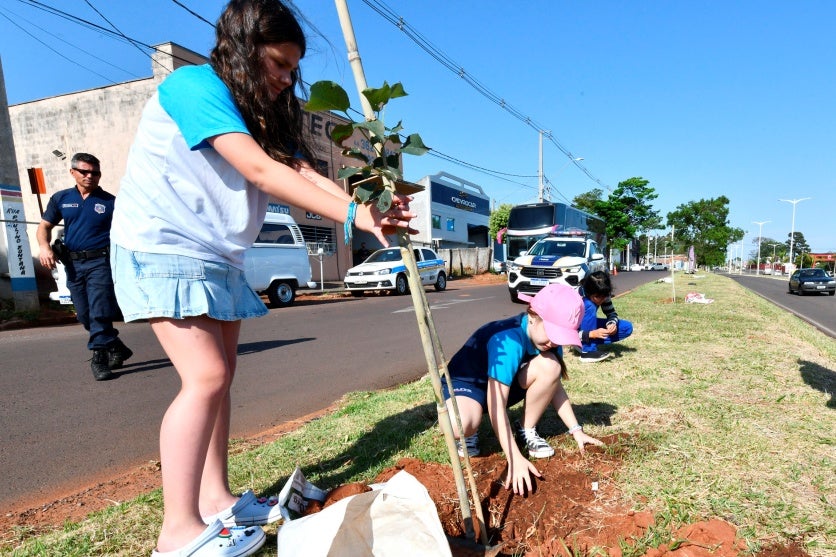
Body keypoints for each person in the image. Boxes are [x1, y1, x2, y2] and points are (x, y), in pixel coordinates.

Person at [109, 1, 415, 555]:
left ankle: (218, 500)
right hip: (162, 243)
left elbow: (297, 167)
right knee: (203, 377)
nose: (286, 78)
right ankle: (176, 532)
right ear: (243, 49)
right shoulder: (192, 88)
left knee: (220, 379)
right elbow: (260, 171)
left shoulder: (262, 110)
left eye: (292, 68)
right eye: (278, 64)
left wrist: (362, 208)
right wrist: (352, 216)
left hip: (217, 254)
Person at [442, 283, 604, 496]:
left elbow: (555, 385)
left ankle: (526, 429)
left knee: (551, 365)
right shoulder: (508, 340)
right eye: (553, 332)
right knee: (460, 425)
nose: (555, 341)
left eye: (560, 336)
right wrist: (514, 458)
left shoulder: (550, 343)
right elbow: (496, 403)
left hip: (505, 384)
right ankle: (469, 432)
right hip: (467, 385)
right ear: (534, 315)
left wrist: (576, 430)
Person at [37, 152, 133, 381]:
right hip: (72, 263)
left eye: (95, 172)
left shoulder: (110, 202)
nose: (91, 176)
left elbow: (127, 232)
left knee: (99, 311)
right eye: (85, 171)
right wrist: (44, 247)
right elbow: (44, 227)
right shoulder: (61, 198)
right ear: (73, 172)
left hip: (100, 262)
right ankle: (116, 346)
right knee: (84, 314)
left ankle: (99, 357)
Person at [577, 271, 633, 363]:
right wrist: (590, 334)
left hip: (586, 328)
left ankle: (582, 343)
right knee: (590, 305)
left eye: (605, 296)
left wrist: (612, 324)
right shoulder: (577, 297)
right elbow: (567, 330)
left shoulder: (603, 293)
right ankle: (587, 351)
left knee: (627, 327)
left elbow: (612, 314)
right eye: (598, 297)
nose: (602, 300)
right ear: (588, 292)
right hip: (574, 330)